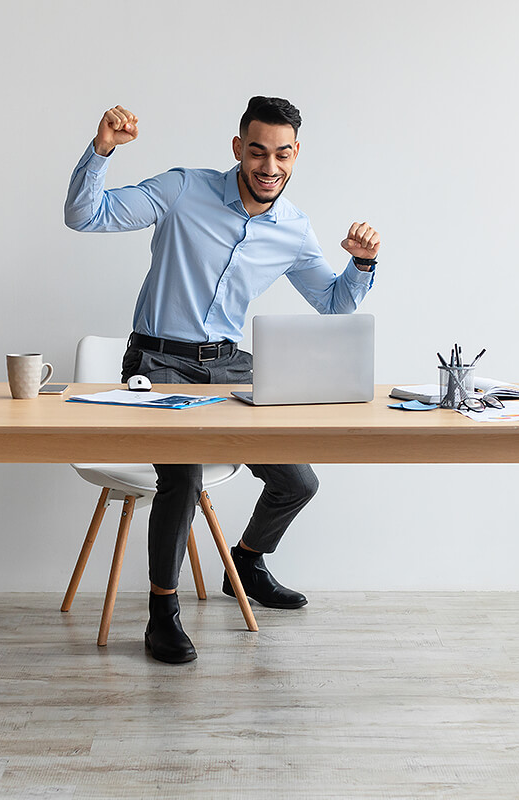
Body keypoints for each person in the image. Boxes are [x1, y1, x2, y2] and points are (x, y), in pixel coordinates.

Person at [64, 96, 381, 663]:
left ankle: (250, 561)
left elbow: (333, 307)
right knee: (181, 480)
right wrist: (103, 150)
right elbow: (86, 215)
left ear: (296, 155)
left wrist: (360, 266)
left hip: (230, 367)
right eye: (257, 151)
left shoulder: (294, 230)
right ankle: (163, 611)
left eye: (282, 155)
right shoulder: (184, 189)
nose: (269, 167)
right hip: (158, 365)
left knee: (297, 481)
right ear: (239, 149)